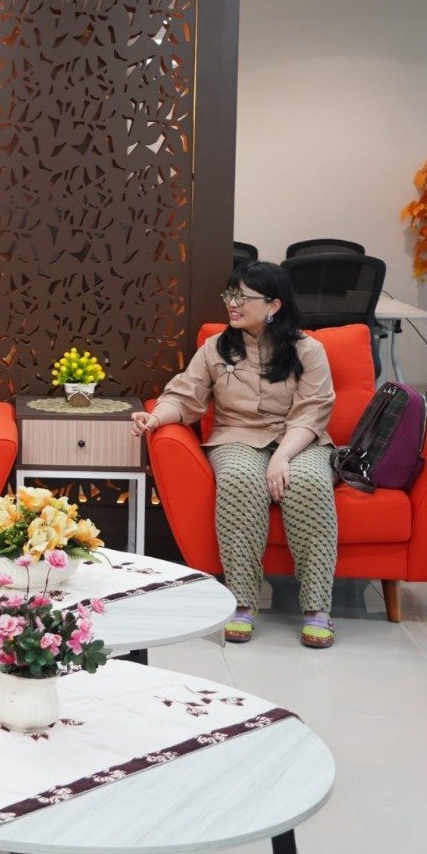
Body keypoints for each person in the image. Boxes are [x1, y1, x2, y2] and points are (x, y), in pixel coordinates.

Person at [132, 261, 339, 649]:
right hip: (237, 437)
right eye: (230, 294)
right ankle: (242, 603)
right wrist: (156, 417)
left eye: (243, 297)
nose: (232, 303)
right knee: (239, 480)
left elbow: (312, 411)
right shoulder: (216, 348)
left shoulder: (309, 351)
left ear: (273, 305)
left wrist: (282, 457)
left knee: (309, 483)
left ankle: (317, 608)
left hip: (300, 439)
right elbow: (185, 396)